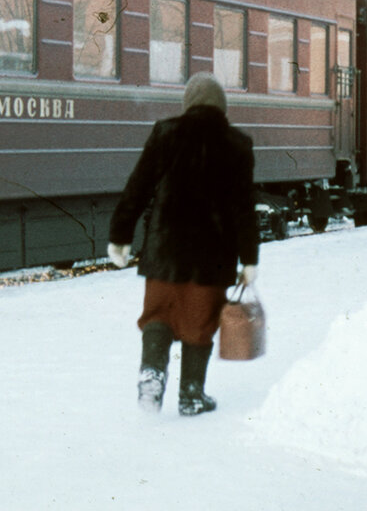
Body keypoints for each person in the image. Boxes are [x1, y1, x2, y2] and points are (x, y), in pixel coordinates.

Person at [108, 72, 258, 416]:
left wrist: (120, 235)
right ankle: (191, 395)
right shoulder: (238, 143)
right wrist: (250, 259)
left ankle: (152, 375)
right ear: (222, 107)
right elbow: (243, 208)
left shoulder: (166, 132)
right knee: (200, 321)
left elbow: (138, 186)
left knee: (158, 314)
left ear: (187, 103)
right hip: (213, 256)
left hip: (165, 249)